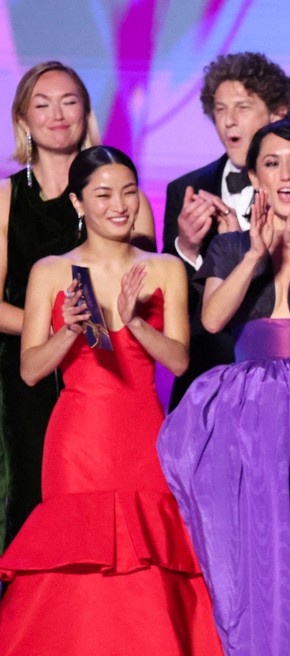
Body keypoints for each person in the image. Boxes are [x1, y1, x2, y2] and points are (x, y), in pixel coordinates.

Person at [0, 146, 220, 654]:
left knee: (147, 563)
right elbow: (31, 370)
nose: (119, 205)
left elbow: (180, 362)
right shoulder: (51, 271)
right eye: (103, 195)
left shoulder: (162, 267)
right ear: (79, 203)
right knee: (78, 566)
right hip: (78, 441)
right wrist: (70, 331)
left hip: (143, 432)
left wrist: (135, 320)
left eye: (127, 192)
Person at [157, 120, 290, 656]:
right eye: (271, 163)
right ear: (253, 176)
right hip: (247, 420)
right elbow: (211, 319)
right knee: (256, 549)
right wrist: (255, 252)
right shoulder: (227, 248)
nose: (286, 174)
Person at [0, 61, 155, 552]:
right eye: (41, 104)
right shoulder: (7, 198)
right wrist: (50, 333)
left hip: (105, 374)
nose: (57, 114)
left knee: (111, 504)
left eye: (68, 101)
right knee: (28, 492)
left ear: (86, 112)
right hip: (28, 377)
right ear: (23, 119)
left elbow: (143, 291)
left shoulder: (123, 195)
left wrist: (92, 336)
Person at [162, 52, 290, 409]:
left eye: (243, 107)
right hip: (221, 381)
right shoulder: (184, 190)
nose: (229, 121)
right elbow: (192, 309)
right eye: (219, 109)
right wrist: (189, 248)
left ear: (278, 112)